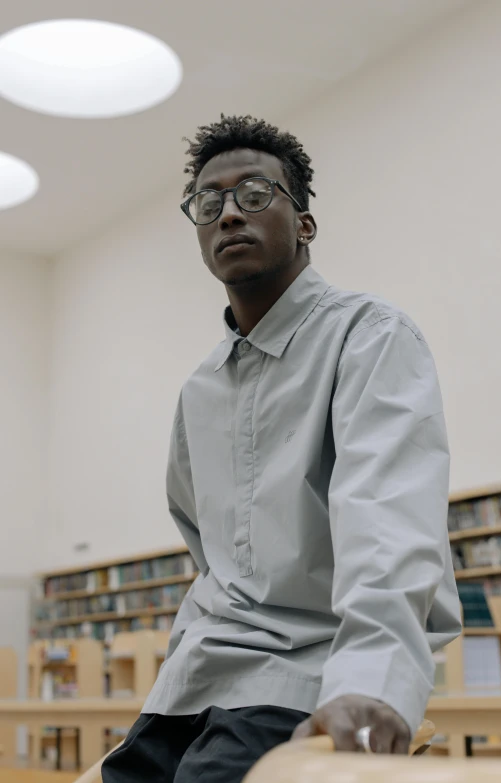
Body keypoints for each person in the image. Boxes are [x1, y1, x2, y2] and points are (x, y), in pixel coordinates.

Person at [102, 114, 461, 783]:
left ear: (304, 223)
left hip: (308, 672)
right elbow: (206, 551)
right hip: (191, 685)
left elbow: (388, 526)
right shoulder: (198, 390)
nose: (230, 214)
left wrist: (373, 683)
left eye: (255, 195)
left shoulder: (370, 336)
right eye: (210, 203)